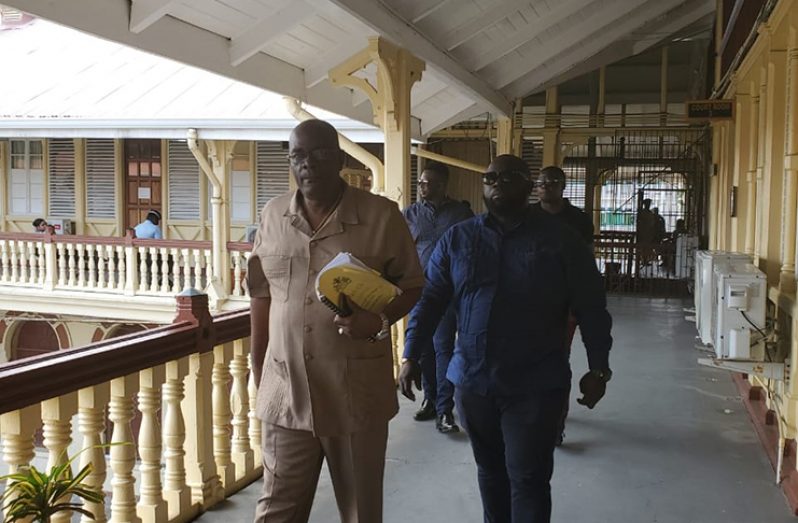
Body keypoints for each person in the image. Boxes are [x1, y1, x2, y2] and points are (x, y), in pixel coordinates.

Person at [400, 154, 613, 523]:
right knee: (491, 474)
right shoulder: (460, 238)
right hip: (473, 380)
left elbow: (592, 306)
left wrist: (599, 368)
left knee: (528, 478)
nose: (497, 183)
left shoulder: (560, 240)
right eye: (490, 177)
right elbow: (432, 299)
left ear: (529, 187)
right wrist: (410, 354)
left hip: (534, 383)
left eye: (508, 177)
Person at [247, 119, 424, 523]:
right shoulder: (273, 215)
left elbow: (413, 286)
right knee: (276, 509)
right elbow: (261, 296)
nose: (307, 164)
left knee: (360, 511)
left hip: (355, 393)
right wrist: (261, 374)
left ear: (341, 159)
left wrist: (378, 320)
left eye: (319, 153)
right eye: (297, 155)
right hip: (286, 389)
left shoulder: (381, 217)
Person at [402, 161, 473, 433]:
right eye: (420, 182)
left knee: (443, 346)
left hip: (448, 290)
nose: (422, 187)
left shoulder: (461, 214)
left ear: (443, 185)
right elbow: (399, 249)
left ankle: (445, 410)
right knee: (423, 349)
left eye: (427, 183)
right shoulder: (409, 214)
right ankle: (430, 400)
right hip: (418, 289)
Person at [531, 165, 594, 446]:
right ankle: (533, 415)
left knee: (558, 361)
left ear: (563, 185)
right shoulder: (527, 216)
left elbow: (587, 262)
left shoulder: (578, 220)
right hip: (527, 301)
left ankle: (556, 423)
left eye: (552, 182)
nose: (545, 186)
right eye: (541, 182)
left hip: (565, 302)